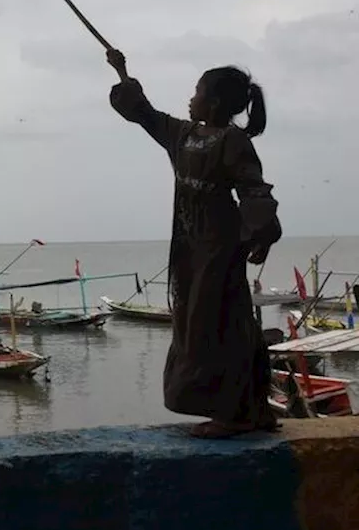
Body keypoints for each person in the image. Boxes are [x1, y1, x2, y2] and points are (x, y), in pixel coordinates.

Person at [107, 48, 280, 439]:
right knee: (199, 323)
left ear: (214, 102)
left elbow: (254, 190)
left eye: (197, 90)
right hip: (189, 248)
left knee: (218, 325)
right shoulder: (182, 135)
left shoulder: (233, 141)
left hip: (220, 248)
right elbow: (144, 113)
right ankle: (252, 409)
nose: (191, 97)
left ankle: (234, 414)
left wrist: (260, 235)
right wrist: (122, 71)